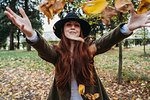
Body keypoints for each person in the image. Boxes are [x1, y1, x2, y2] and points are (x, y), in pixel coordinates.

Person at [4, 6, 150, 100]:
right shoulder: (57, 52)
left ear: (80, 30)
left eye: (76, 25)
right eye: (69, 25)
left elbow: (106, 41)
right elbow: (45, 50)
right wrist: (32, 35)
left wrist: (127, 28)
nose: (73, 27)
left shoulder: (89, 48)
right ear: (63, 30)